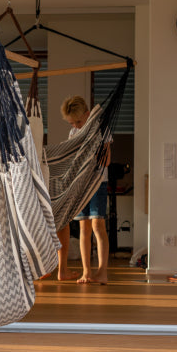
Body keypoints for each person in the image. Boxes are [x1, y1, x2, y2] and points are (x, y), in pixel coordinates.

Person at [56, 95, 111, 285]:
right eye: (73, 123)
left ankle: (102, 271)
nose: (77, 126)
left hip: (97, 182)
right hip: (80, 185)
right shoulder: (74, 133)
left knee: (97, 225)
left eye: (79, 121)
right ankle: (86, 272)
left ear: (88, 114)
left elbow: (107, 159)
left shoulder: (101, 129)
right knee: (83, 228)